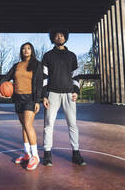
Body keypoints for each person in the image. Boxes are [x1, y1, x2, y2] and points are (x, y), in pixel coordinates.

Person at [42, 28, 86, 166]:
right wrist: (44, 95)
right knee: (49, 124)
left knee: (72, 124)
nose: (59, 37)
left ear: (65, 37)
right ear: (53, 38)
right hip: (52, 94)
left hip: (68, 94)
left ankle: (76, 153)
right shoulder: (48, 55)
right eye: (57, 35)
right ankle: (47, 153)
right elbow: (44, 77)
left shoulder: (72, 55)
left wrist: (76, 91)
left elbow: (76, 75)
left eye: (62, 35)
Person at [0, 42, 43, 170]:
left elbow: (39, 84)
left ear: (32, 50)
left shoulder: (37, 65)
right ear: (21, 51)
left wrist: (38, 101)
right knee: (24, 126)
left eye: (28, 48)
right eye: (23, 49)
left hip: (30, 99)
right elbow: (5, 78)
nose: (26, 50)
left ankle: (36, 156)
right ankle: (27, 154)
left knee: (28, 125)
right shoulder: (16, 65)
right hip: (18, 98)